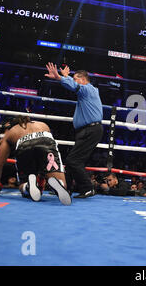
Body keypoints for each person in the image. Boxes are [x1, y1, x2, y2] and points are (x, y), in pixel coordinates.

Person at [45, 62, 103, 198]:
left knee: (73, 161)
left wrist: (60, 78)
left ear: (83, 80)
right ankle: (66, 189)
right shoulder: (89, 91)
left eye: (75, 78)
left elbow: (74, 86)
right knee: (72, 161)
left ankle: (88, 188)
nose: (73, 81)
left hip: (90, 130)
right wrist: (66, 76)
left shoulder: (87, 89)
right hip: (87, 131)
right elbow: (73, 84)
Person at [0, 116, 71, 205]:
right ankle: (58, 183)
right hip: (45, 141)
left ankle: (27, 186)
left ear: (9, 126)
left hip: (23, 145)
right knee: (62, 184)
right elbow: (42, 155)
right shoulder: (41, 124)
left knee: (23, 184)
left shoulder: (11, 132)